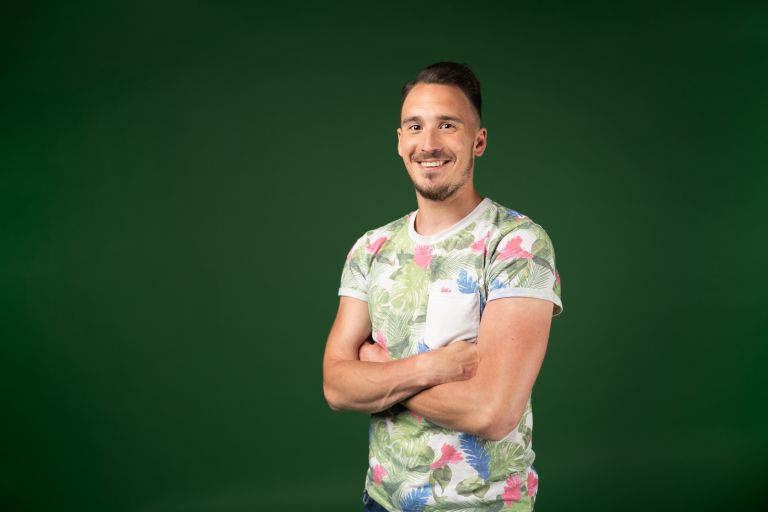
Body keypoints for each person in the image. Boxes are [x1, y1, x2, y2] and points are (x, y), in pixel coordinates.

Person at [323, 62, 563, 512]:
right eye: (415, 126)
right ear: (400, 141)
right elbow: (336, 387)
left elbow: (492, 412)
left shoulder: (517, 244)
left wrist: (380, 372)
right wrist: (428, 368)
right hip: (382, 499)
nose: (428, 143)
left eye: (447, 125)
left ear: (478, 141)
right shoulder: (371, 247)